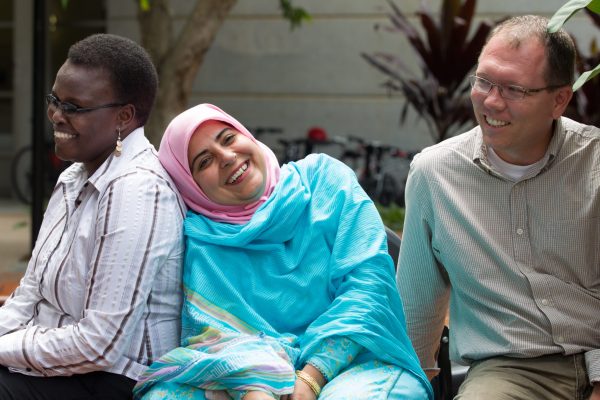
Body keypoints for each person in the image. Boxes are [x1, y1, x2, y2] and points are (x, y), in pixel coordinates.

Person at [132, 103, 433, 400]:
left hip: (358, 361)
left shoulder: (325, 181)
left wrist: (312, 376)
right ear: (191, 186)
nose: (226, 157)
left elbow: (368, 287)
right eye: (204, 162)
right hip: (251, 375)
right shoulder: (205, 240)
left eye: (228, 139)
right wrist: (255, 386)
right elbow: (213, 334)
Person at [397, 14, 600, 400]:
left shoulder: (595, 162)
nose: (491, 101)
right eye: (484, 80)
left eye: (513, 90)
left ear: (559, 99)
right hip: (509, 371)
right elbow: (417, 310)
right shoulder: (434, 174)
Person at [0, 34, 185, 399]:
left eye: (74, 107)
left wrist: (7, 349)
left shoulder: (137, 192)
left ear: (124, 117)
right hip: (55, 361)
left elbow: (99, 345)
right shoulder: (74, 176)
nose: (56, 115)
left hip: (116, 380)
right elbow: (30, 293)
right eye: (54, 99)